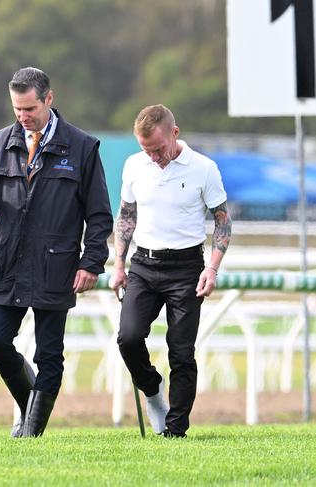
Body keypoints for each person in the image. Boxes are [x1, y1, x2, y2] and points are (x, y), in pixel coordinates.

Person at [0, 67, 113, 437]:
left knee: (49, 356)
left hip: (56, 266)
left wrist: (91, 262)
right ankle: (29, 404)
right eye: (17, 110)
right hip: (7, 265)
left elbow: (98, 215)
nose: (22, 117)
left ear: (49, 99)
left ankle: (31, 432)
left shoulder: (82, 147)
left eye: (29, 109)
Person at [109, 104, 232, 438]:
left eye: (159, 150)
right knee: (129, 338)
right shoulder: (135, 165)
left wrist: (212, 268)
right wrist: (119, 264)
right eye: (146, 150)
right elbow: (126, 215)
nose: (154, 158)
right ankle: (152, 390)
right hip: (144, 266)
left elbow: (222, 219)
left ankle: (175, 430)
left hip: (187, 267)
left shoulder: (204, 169)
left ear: (174, 134)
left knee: (181, 351)